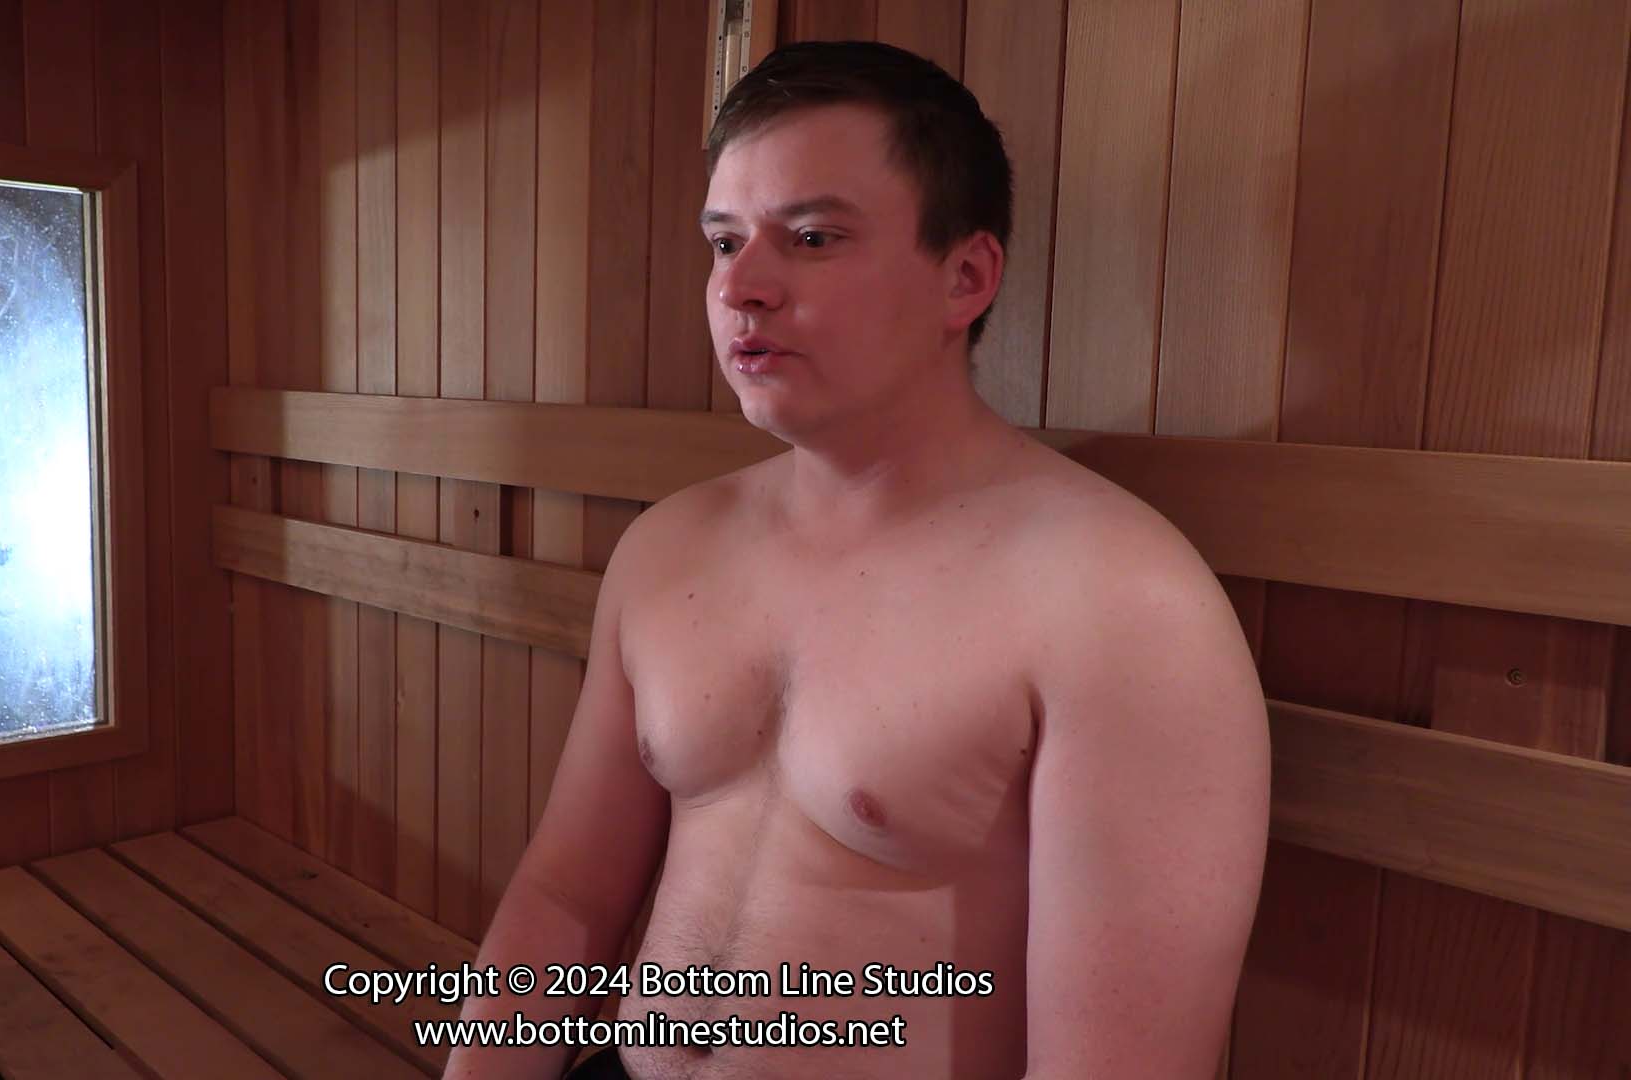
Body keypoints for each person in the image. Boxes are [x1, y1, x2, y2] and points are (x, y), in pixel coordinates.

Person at [444, 40, 1270, 1079]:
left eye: (812, 237)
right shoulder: (669, 547)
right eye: (723, 241)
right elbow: (566, 899)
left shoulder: (1120, 602)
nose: (741, 287)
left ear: (965, 277)